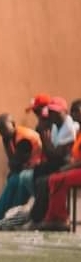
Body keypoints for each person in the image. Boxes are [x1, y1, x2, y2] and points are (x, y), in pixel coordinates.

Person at [25, 96, 79, 227]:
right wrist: (47, 144)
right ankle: (40, 216)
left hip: (67, 164)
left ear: (65, 112)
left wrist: (47, 143)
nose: (52, 115)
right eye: (51, 112)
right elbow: (52, 153)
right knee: (39, 173)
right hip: (66, 164)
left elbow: (58, 154)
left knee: (50, 180)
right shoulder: (55, 127)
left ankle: (51, 218)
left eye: (56, 112)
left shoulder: (69, 128)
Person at [40, 99, 81, 230]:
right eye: (73, 111)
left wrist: (67, 167)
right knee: (53, 178)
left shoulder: (72, 130)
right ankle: (53, 217)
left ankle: (60, 219)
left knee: (57, 179)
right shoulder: (79, 132)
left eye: (77, 111)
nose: (74, 114)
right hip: (76, 169)